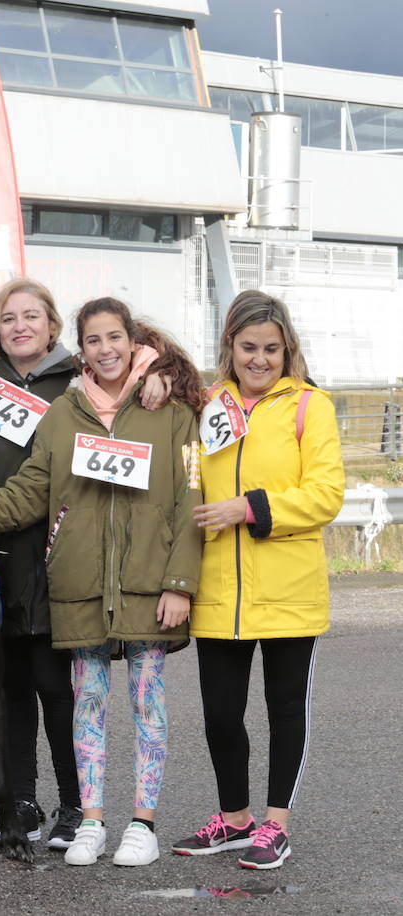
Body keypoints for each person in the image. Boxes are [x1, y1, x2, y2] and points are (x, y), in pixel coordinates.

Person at [0, 296, 204, 868]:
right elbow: (29, 490)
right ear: (82, 348)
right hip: (78, 587)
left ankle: (143, 825)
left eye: (114, 338)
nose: (105, 350)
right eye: (94, 341)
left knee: (149, 708)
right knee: (88, 704)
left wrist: (180, 582)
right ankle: (93, 821)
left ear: (133, 340)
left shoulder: (171, 410)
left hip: (150, 587)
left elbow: (189, 499)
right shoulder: (62, 414)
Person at [173, 290, 343, 870]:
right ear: (230, 347)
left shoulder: (309, 406)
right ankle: (236, 821)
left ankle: (277, 825)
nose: (260, 360)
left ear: (286, 348)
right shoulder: (209, 404)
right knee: (221, 714)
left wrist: (247, 508)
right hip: (220, 591)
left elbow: (326, 494)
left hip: (289, 590)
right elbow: (190, 475)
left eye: (272, 349)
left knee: (284, 710)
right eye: (249, 347)